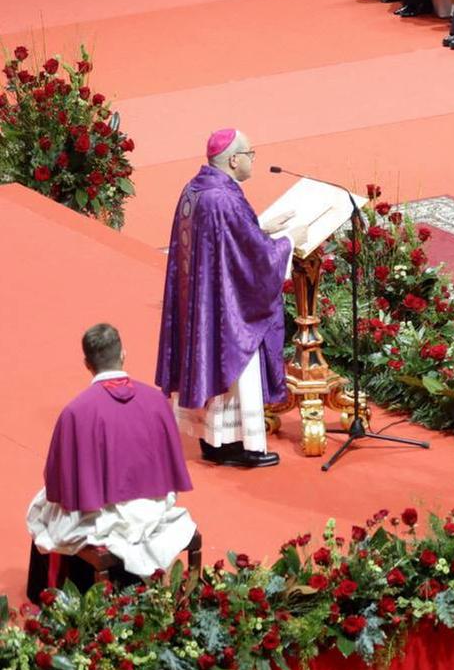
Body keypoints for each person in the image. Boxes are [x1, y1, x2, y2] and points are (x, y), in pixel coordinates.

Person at [157, 129, 308, 468]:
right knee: (237, 368)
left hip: (204, 302)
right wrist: (287, 241)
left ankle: (215, 442)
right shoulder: (223, 197)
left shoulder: (198, 188)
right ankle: (243, 447)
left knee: (213, 367)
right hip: (228, 308)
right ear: (234, 159)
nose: (254, 159)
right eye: (251, 153)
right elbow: (251, 259)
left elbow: (228, 241)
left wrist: (263, 227)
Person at [26, 322, 195, 602]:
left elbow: (57, 487)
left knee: (41, 510)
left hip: (102, 520)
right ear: (123, 354)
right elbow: (171, 468)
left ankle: (54, 594)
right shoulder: (155, 400)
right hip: (150, 513)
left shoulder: (76, 412)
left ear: (86, 364)